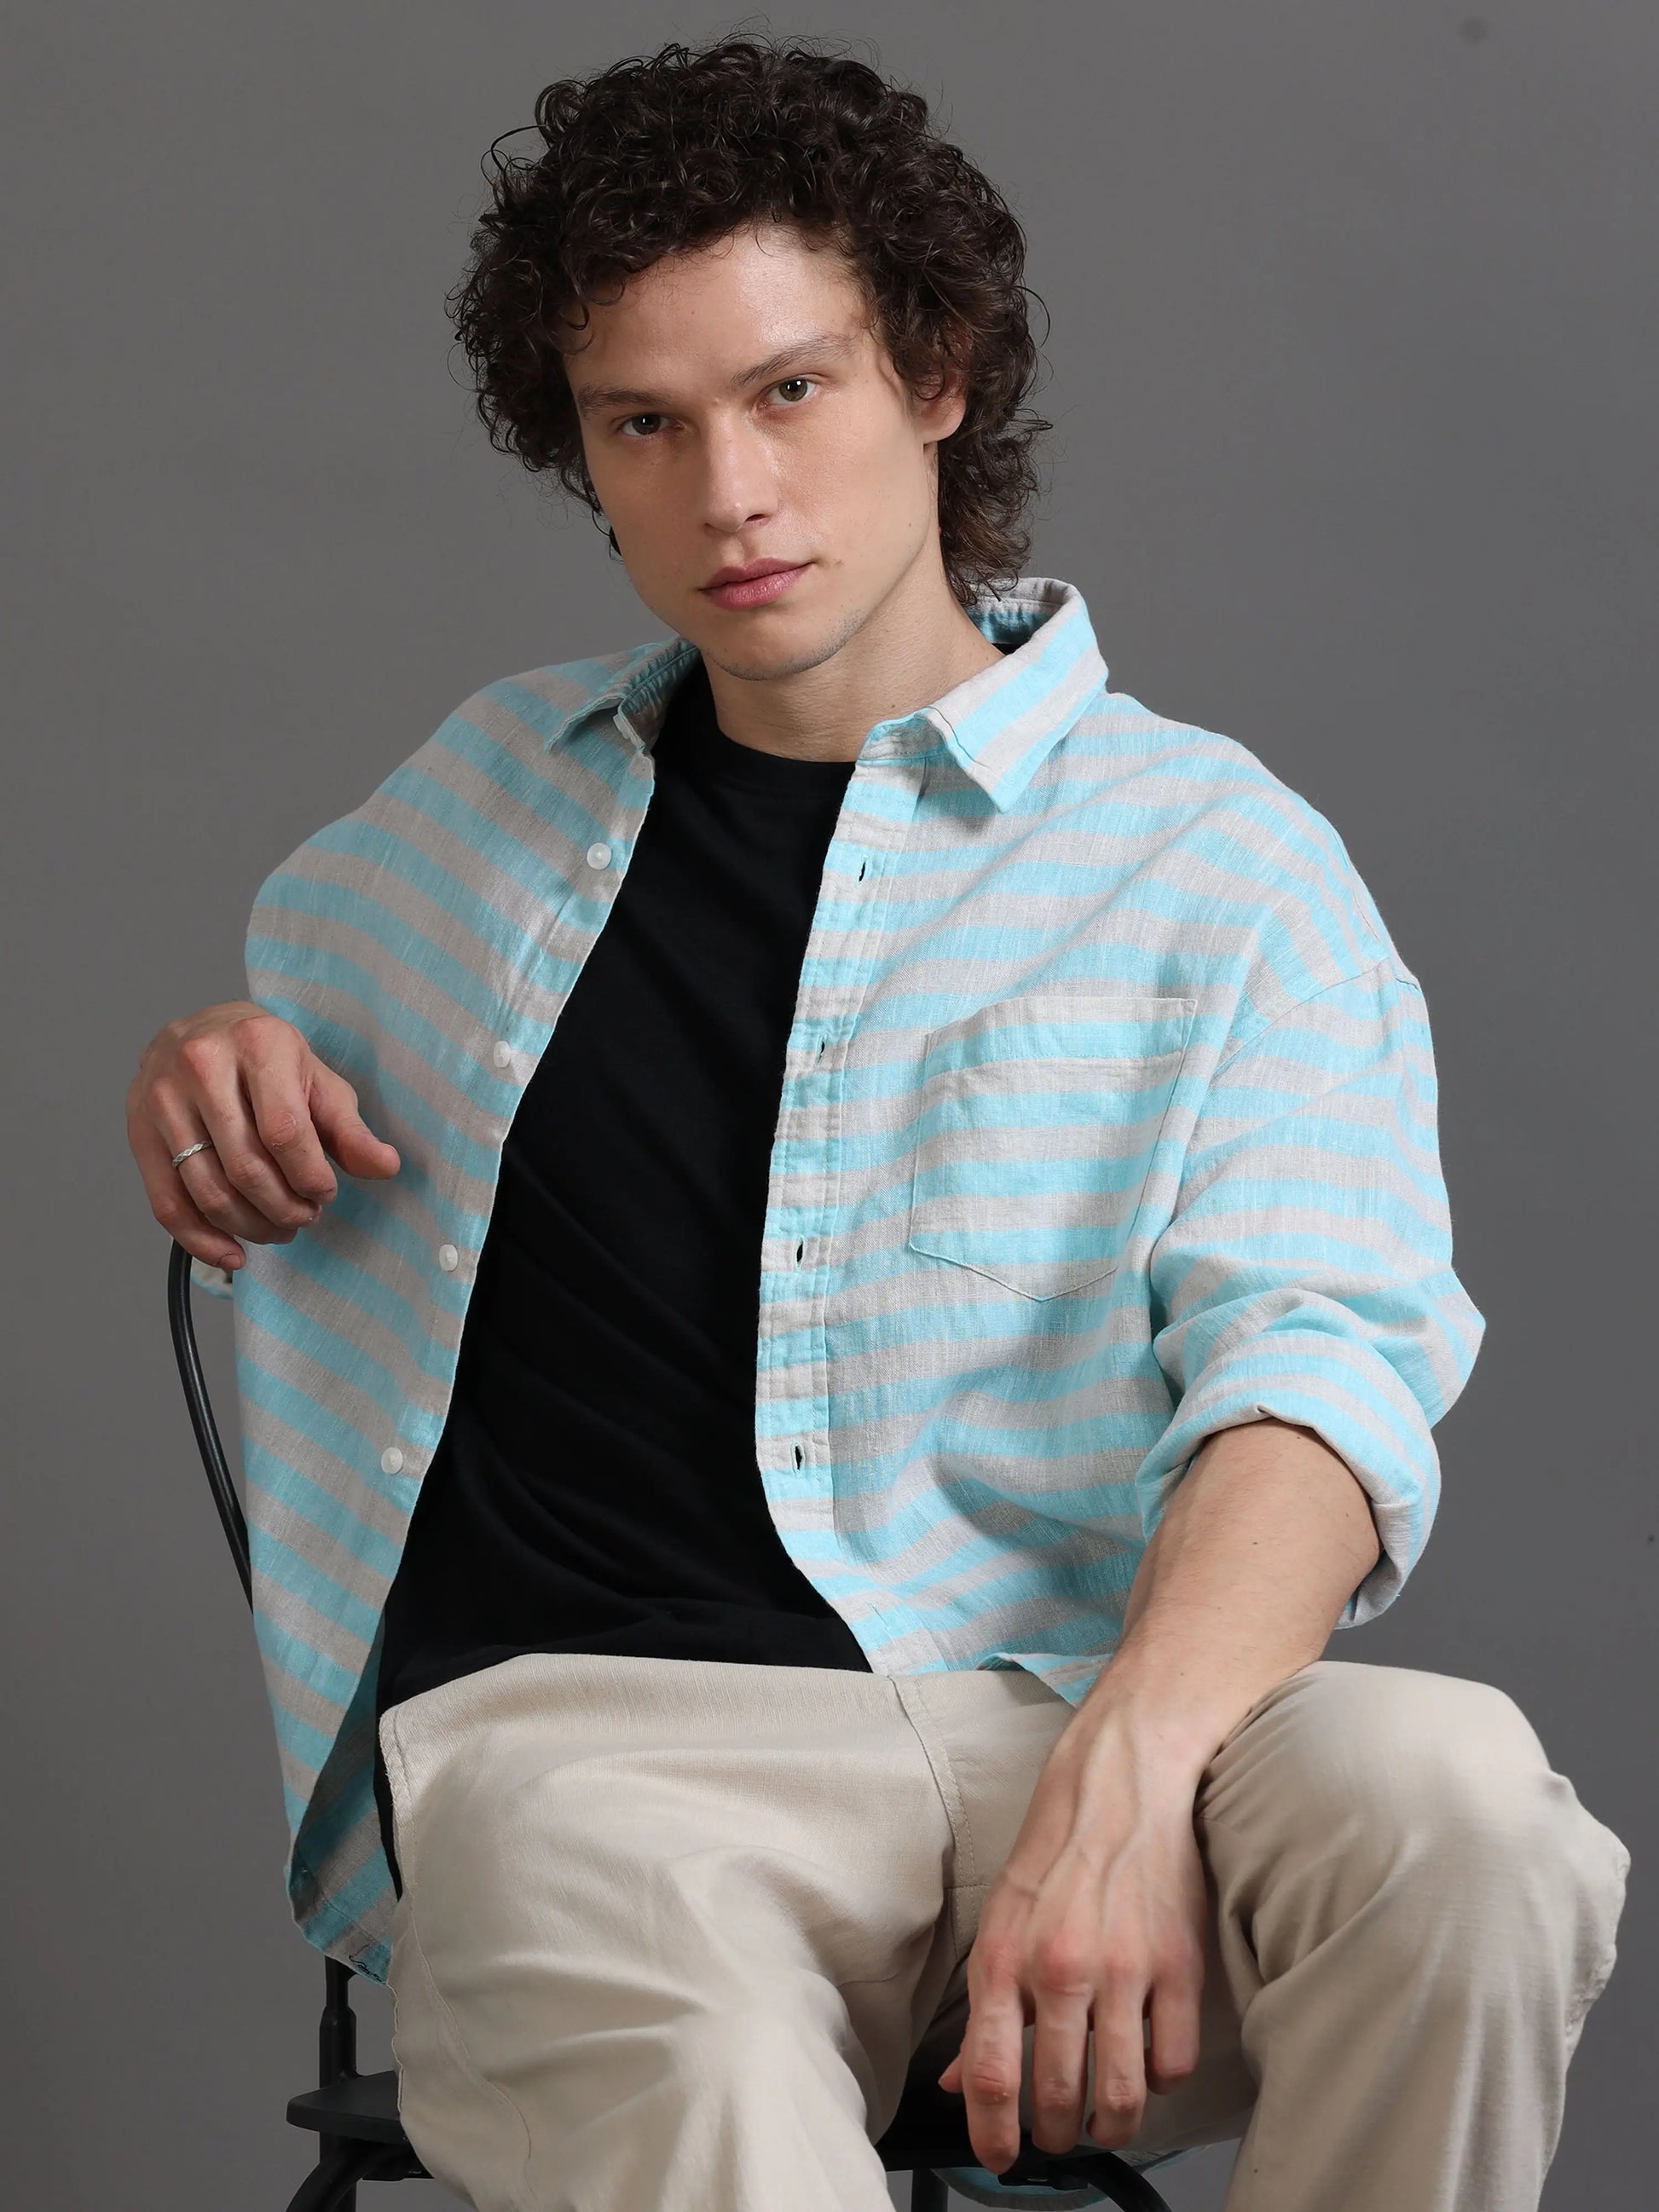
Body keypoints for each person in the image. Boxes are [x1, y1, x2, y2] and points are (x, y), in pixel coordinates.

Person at [126, 36, 1627, 2212]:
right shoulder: (468, 816)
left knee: (1467, 1806)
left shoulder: (1217, 864)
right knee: (687, 2028)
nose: (727, 490)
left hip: (1070, 1731)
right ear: (584, 451)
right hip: (612, 1787)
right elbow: (261, 1049)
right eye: (645, 423)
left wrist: (1132, 1767)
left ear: (935, 373)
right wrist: (199, 1063)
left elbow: (1320, 1371)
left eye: (788, 390)